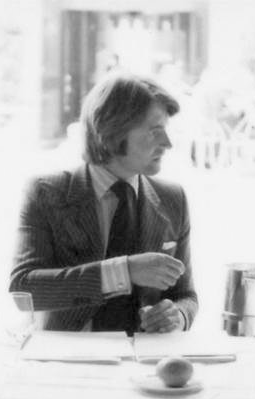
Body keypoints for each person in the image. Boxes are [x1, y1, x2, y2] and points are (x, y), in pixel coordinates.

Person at [10, 73, 198, 333]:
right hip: (66, 360)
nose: (168, 143)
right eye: (155, 131)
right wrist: (123, 271)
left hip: (146, 361)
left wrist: (178, 315)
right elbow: (24, 288)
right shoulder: (46, 192)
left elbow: (186, 294)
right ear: (113, 131)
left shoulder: (172, 198)